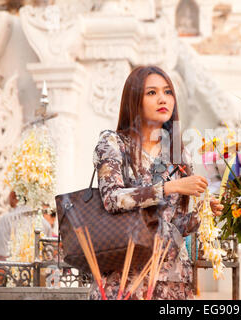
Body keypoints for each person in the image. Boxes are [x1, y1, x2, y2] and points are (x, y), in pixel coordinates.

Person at [89, 65, 224, 300]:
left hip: (169, 282)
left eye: (168, 92)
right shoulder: (113, 143)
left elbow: (172, 226)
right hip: (124, 279)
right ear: (134, 99)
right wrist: (169, 187)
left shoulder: (178, 154)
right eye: (152, 93)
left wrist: (203, 215)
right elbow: (112, 199)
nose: (163, 99)